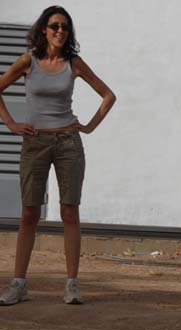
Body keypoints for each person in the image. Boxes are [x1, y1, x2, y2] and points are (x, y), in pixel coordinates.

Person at [0, 5, 116, 305]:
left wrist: (89, 126)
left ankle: (72, 284)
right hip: (35, 142)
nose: (60, 31)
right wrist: (11, 123)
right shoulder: (29, 61)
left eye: (65, 27)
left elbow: (108, 95)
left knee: (69, 211)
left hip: (68, 144)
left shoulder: (73, 63)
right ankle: (19, 283)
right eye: (54, 26)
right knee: (29, 213)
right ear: (43, 29)